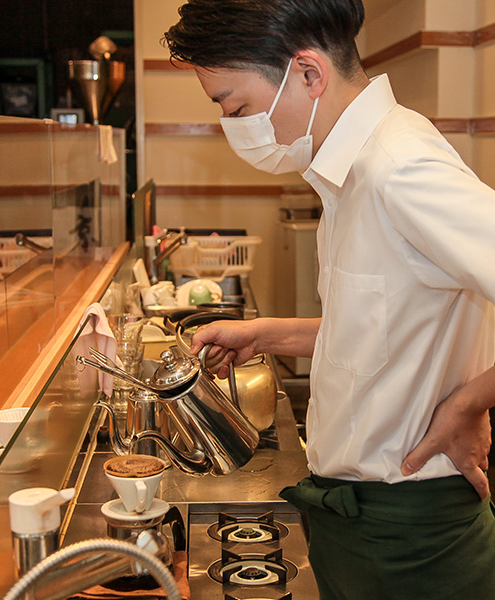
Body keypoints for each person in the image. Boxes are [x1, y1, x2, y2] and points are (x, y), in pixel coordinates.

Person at [164, 1, 495, 598]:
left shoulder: (400, 168)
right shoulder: (349, 172)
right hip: (355, 515)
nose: (235, 126)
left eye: (236, 108)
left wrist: (471, 403)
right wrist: (264, 335)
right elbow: (384, 328)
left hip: (408, 531)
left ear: (309, 73)